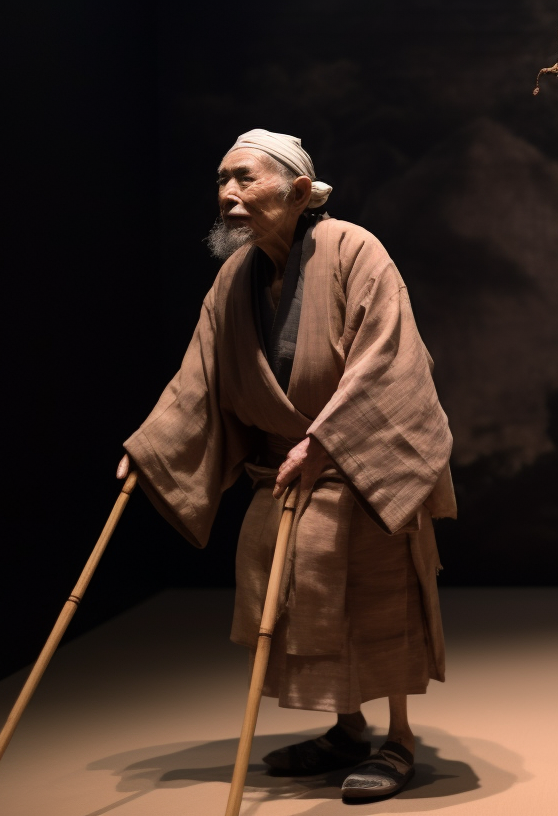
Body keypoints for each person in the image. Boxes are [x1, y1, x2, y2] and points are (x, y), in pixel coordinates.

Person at [120, 129, 456, 802]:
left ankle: (398, 740)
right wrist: (151, 449)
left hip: (361, 471)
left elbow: (388, 358)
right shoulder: (235, 276)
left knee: (374, 607)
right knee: (311, 612)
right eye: (221, 180)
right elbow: (201, 376)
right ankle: (347, 728)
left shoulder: (356, 250)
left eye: (245, 179)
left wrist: (327, 438)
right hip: (286, 474)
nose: (228, 195)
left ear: (300, 192)